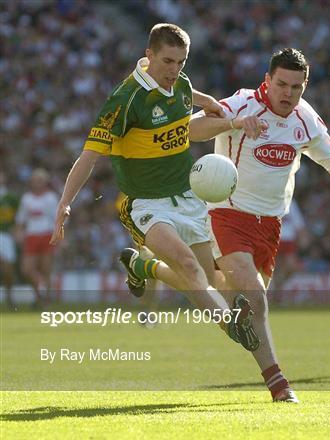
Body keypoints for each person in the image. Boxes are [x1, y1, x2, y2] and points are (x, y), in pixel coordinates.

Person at [180, 48, 330, 403]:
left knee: (236, 307)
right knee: (255, 300)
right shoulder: (243, 103)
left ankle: (157, 269)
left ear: (305, 86)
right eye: (282, 84)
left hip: (270, 226)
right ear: (268, 80)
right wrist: (234, 123)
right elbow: (192, 129)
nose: (288, 93)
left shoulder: (305, 120)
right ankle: (279, 385)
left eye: (296, 87)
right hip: (226, 215)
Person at [49, 23, 262, 352]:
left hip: (189, 198)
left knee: (208, 280)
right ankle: (233, 328)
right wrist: (65, 202)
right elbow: (88, 157)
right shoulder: (125, 100)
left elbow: (189, 94)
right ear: (148, 56)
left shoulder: (180, 83)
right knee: (190, 269)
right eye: (168, 62)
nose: (175, 70)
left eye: (181, 62)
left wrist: (216, 108)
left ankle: (141, 265)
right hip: (146, 204)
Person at [15, 168, 58, 309]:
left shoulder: (51, 198)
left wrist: (61, 236)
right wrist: (19, 232)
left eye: (40, 181)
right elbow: (21, 219)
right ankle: (39, 292)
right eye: (35, 181)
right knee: (27, 269)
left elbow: (58, 218)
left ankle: (44, 300)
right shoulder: (27, 198)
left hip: (47, 234)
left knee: (46, 269)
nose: (38, 184)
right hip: (32, 235)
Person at [0, 171, 19, 308]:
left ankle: (9, 297)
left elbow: (19, 216)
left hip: (5, 234)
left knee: (8, 268)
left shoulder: (11, 197)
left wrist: (17, 230)